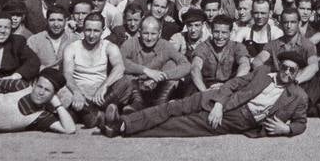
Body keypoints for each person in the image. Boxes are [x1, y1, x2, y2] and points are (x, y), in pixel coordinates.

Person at [102, 51, 307, 139]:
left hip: (240, 119)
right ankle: (122, 122)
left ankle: (122, 128)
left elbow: (301, 123)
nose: (287, 73)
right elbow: (234, 83)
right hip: (220, 98)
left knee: (181, 125)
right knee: (173, 107)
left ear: (297, 73)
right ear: (280, 66)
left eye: (293, 70)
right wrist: (218, 103)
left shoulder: (298, 96)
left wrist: (287, 129)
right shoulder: (263, 73)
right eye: (285, 68)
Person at [60, 12, 128, 127]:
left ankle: (89, 113)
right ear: (83, 29)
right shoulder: (72, 48)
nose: (91, 35)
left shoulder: (109, 46)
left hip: (100, 96)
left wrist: (104, 86)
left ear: (103, 30)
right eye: (88, 30)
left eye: (96, 31)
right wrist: (76, 92)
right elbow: (67, 74)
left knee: (126, 81)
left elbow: (119, 67)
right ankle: (93, 115)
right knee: (63, 91)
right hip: (79, 94)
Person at [118, 16, 192, 110]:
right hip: (134, 89)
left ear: (159, 33)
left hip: (156, 89)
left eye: (153, 34)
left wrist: (162, 76)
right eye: (145, 33)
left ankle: (158, 106)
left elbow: (186, 65)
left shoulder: (165, 45)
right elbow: (120, 63)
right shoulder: (130, 44)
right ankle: (133, 107)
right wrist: (146, 71)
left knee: (172, 64)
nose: (149, 38)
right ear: (139, 32)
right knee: (125, 78)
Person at [26, 1, 72, 68]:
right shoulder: (34, 40)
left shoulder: (74, 39)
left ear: (66, 20)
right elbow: (28, 65)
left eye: (60, 20)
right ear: (47, 20)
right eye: (52, 20)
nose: (56, 24)